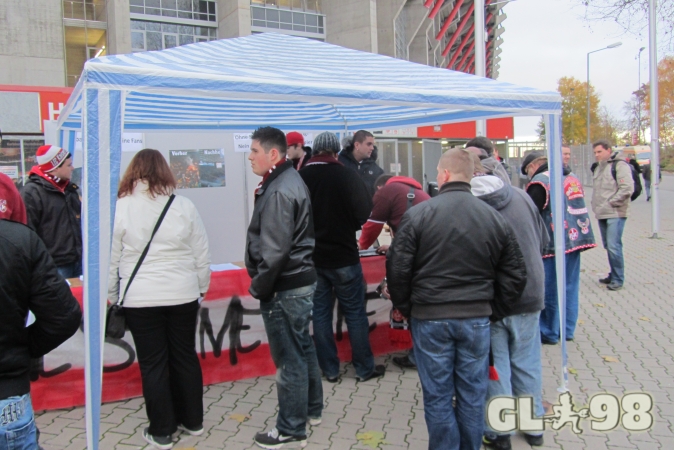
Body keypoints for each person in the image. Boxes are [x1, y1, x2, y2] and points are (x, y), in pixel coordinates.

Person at [386, 148, 527, 450]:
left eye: (438, 172)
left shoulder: (419, 214)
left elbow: (397, 270)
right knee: (471, 396)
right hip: (474, 320)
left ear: (446, 175)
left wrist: (411, 309)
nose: (437, 177)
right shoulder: (493, 217)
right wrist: (490, 311)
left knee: (437, 396)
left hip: (431, 317)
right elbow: (516, 274)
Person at [107, 149, 211, 450]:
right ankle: (193, 421)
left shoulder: (121, 207)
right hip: (183, 293)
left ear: (133, 172)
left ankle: (162, 430)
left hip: (140, 297)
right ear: (165, 171)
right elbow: (201, 253)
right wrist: (201, 287)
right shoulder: (184, 206)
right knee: (184, 356)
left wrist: (113, 296)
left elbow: (112, 260)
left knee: (153, 363)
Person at [245, 127, 323, 449]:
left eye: (254, 151)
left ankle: (290, 427)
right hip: (297, 281)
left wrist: (259, 287)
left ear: (273, 154)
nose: (250, 157)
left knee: (290, 358)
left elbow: (275, 252)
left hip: (285, 285)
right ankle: (311, 410)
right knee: (302, 347)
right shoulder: (286, 180)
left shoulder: (278, 189)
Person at [470, 154, 548, 449]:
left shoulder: (472, 209)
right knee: (527, 361)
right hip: (530, 292)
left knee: (495, 365)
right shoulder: (521, 195)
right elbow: (542, 239)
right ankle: (533, 426)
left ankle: (500, 431)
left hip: (493, 300)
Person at [299, 131, 385, 384]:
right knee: (356, 314)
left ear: (314, 151)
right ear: (337, 152)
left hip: (313, 259)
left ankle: (330, 370)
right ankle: (363, 369)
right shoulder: (348, 174)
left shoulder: (301, 177)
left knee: (320, 315)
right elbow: (364, 215)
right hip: (345, 256)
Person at [1, 191, 82, 450]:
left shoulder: (19, 240)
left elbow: (63, 316)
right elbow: (64, 316)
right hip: (8, 392)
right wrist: (22, 347)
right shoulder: (20, 239)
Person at [521, 151, 597, 345]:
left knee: (550, 288)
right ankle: (567, 329)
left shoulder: (540, 182)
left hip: (553, 242)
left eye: (527, 171)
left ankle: (548, 331)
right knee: (570, 285)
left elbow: (531, 212)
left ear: (533, 165)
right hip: (577, 237)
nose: (529, 175)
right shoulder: (571, 177)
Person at [358, 173, 431, 370]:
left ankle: (418, 356)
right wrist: (392, 247)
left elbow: (372, 226)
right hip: (427, 255)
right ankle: (420, 353)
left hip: (411, 261)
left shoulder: (388, 191)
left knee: (409, 303)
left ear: (381, 188)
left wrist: (361, 245)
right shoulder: (418, 192)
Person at [21, 145, 82, 279]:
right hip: (53, 264)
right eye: (69, 165)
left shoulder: (68, 189)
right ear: (55, 168)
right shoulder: (32, 193)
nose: (72, 168)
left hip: (77, 259)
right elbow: (28, 232)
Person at [590, 140, 634, 291]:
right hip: (602, 212)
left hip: (615, 212)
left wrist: (611, 203)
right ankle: (613, 273)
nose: (597, 155)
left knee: (614, 245)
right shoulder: (598, 168)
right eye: (595, 152)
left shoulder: (619, 165)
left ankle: (618, 278)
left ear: (608, 150)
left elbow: (627, 188)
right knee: (609, 246)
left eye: (599, 152)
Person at [338, 130, 382, 197]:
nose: (372, 148)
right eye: (369, 144)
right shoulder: (340, 164)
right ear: (357, 145)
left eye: (373, 145)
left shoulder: (375, 169)